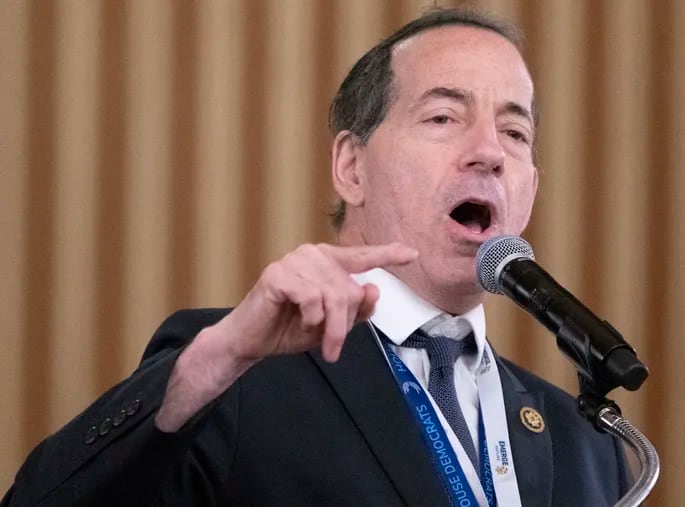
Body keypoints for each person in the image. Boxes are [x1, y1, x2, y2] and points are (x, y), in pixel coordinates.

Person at [2, 8, 630, 507]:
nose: (489, 152)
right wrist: (210, 367)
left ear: (531, 187)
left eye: (515, 133)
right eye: (443, 116)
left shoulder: (583, 442)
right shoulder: (232, 377)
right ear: (350, 167)